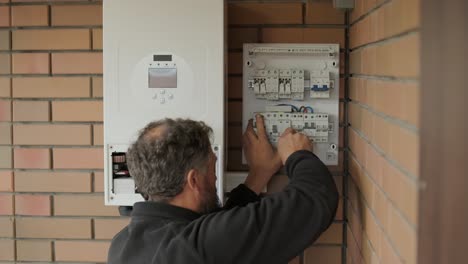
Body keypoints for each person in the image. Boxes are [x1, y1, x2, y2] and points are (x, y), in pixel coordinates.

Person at [108, 115, 339, 264]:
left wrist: (258, 176)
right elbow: (315, 197)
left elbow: (219, 233)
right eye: (212, 166)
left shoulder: (122, 245)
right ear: (194, 180)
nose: (216, 175)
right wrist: (297, 155)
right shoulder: (199, 247)